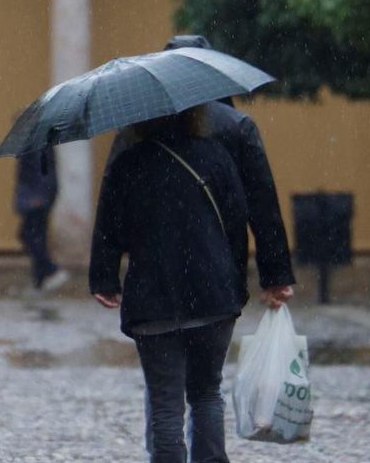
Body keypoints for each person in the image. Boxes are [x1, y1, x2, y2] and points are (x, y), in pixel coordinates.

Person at [91, 104, 259, 463]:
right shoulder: (215, 156)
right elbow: (237, 222)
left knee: (166, 404)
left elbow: (109, 227)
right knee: (206, 392)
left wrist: (105, 277)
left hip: (155, 298)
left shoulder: (129, 163)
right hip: (212, 294)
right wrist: (236, 281)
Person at [108, 35, 295, 307]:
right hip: (221, 273)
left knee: (162, 345)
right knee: (211, 347)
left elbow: (113, 198)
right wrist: (275, 273)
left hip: (154, 278)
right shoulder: (237, 126)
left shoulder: (134, 131)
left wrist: (105, 270)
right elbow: (261, 202)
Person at [15, 144, 69, 294]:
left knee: (29, 236)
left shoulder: (36, 143)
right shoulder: (37, 140)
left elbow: (42, 169)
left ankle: (51, 270)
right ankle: (40, 282)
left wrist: (39, 195)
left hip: (35, 198)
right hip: (35, 196)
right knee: (36, 237)